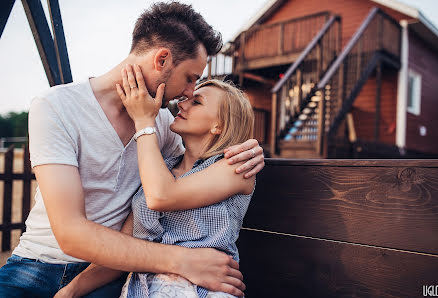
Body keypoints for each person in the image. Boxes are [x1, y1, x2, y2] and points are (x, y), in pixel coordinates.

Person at [0, 2, 264, 297]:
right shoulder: (56, 106)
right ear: (162, 60)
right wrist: (183, 262)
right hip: (36, 263)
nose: (188, 94)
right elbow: (71, 233)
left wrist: (248, 148)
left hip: (113, 270)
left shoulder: (165, 124)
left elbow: (199, 161)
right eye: (190, 78)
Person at [56, 74, 256, 298]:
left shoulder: (236, 168)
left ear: (220, 125)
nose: (182, 102)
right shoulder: (160, 173)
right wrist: (71, 290)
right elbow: (128, 247)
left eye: (196, 102)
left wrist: (143, 122)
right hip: (141, 291)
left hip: (202, 290)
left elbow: (161, 196)